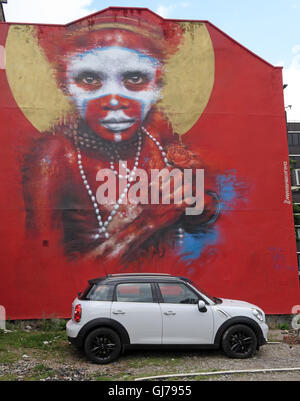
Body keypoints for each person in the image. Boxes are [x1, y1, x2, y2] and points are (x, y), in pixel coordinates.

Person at [22, 17, 219, 263]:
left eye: (135, 79)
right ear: (65, 87)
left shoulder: (159, 135)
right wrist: (148, 221)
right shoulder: (55, 156)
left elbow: (204, 205)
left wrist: (194, 201)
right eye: (90, 79)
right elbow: (44, 264)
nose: (114, 100)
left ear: (157, 86)